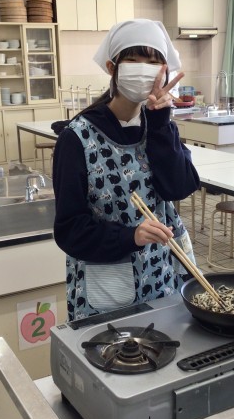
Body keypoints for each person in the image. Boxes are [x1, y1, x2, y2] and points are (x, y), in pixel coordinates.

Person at [52, 19, 200, 321]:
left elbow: (179, 187)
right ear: (112, 67)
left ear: (165, 71)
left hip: (163, 278)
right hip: (106, 287)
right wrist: (130, 236)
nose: (144, 69)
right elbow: (69, 230)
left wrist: (161, 123)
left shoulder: (158, 127)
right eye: (133, 59)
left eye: (154, 62)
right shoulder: (77, 138)